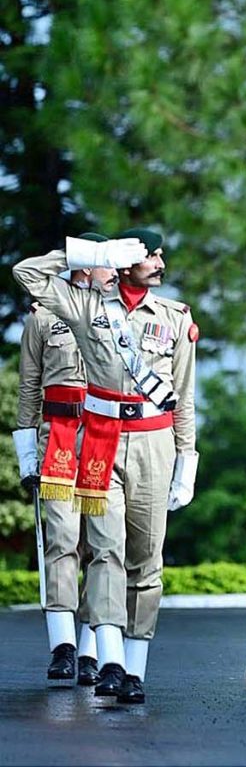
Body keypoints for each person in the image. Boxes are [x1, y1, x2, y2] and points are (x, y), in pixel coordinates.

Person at [13, 229, 199, 705]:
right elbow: (26, 273)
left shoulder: (176, 318)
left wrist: (187, 458)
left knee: (147, 558)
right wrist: (92, 254)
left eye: (159, 253)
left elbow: (185, 398)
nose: (159, 261)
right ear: (121, 263)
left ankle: (134, 667)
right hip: (96, 439)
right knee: (102, 549)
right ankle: (108, 660)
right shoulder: (85, 307)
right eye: (148, 255)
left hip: (155, 441)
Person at [12, 233, 116, 686]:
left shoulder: (115, 316)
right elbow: (28, 389)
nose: (112, 271)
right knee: (60, 540)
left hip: (102, 434)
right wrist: (26, 456)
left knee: (100, 544)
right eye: (103, 262)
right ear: (84, 264)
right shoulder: (43, 317)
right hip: (56, 434)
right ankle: (63, 647)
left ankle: (93, 649)